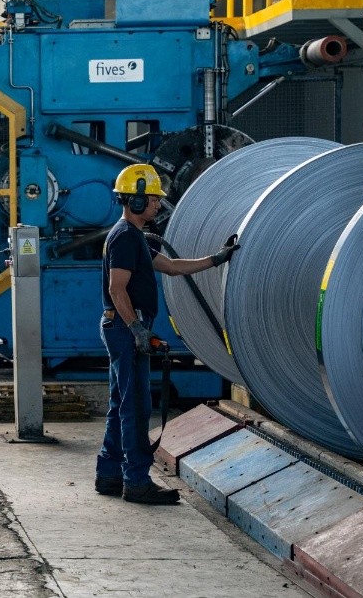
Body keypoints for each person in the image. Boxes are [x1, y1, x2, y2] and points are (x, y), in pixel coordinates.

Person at [95, 163, 239, 505]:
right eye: (154, 199)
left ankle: (109, 473)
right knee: (136, 406)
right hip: (126, 327)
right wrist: (137, 330)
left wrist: (216, 259)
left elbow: (173, 267)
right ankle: (137, 481)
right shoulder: (125, 238)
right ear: (136, 200)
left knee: (121, 403)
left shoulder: (133, 238)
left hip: (122, 326)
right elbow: (118, 289)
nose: (159, 205)